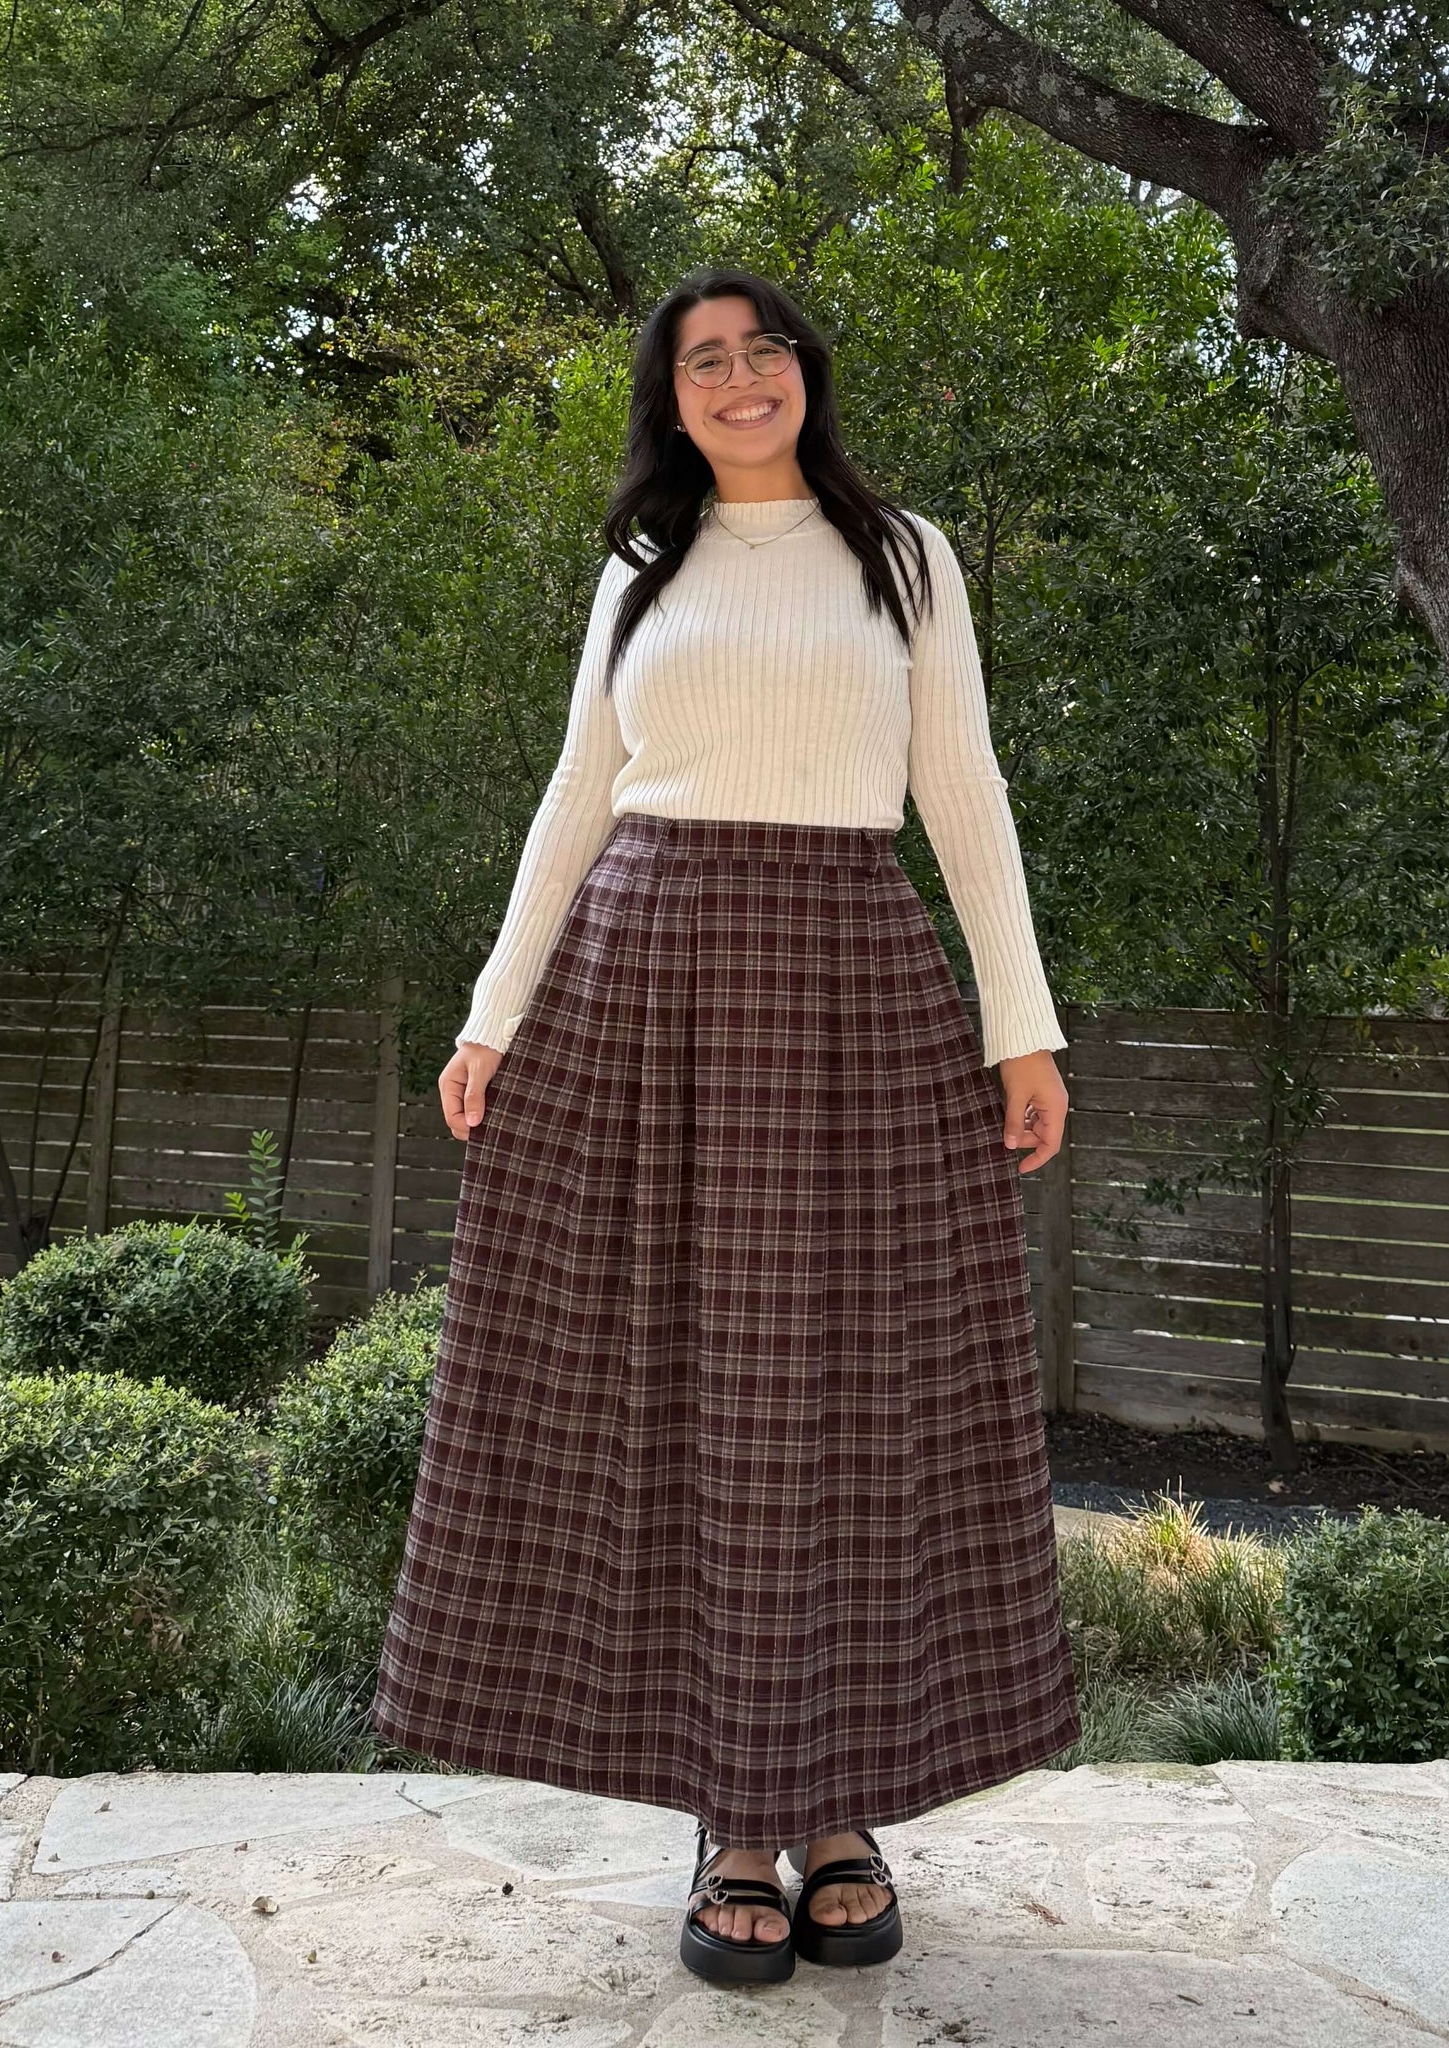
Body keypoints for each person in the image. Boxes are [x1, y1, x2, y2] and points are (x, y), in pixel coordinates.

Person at [369, 265, 1080, 1984]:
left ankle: (842, 1813)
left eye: (765, 350)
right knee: (683, 1397)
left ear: (803, 373)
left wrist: (1023, 1024)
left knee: (855, 1391)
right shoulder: (643, 564)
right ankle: (735, 1830)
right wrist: (491, 1011)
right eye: (706, 359)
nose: (741, 377)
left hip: (849, 982)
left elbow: (962, 786)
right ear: (671, 398)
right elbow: (578, 787)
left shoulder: (905, 557)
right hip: (648, 985)